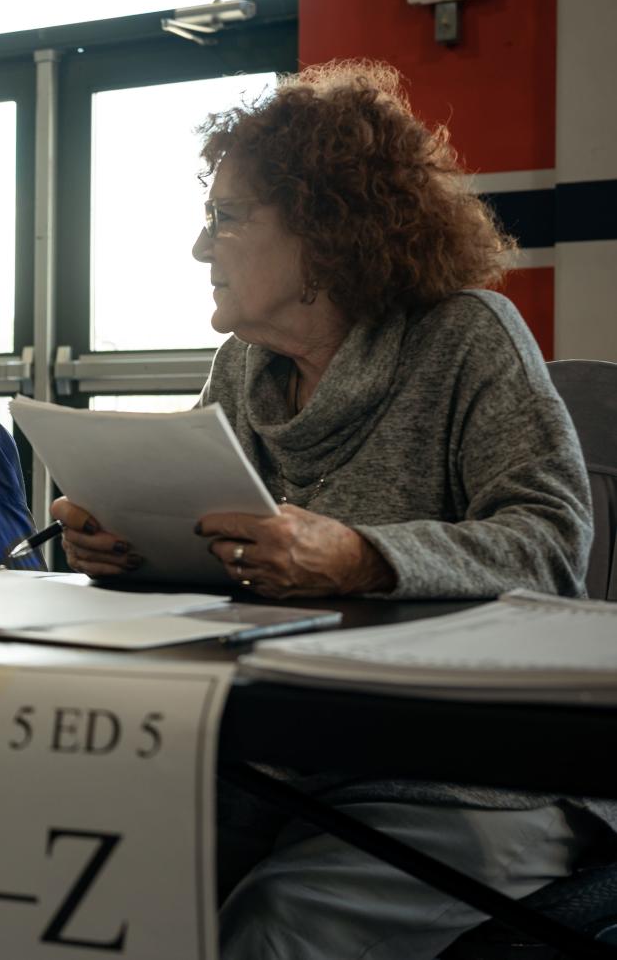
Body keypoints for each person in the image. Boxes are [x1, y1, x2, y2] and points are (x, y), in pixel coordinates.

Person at [51, 60, 612, 958]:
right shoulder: (245, 365)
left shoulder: (468, 335)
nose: (202, 248)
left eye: (226, 219)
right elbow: (216, 545)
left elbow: (548, 550)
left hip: (464, 775)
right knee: (76, 886)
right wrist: (121, 542)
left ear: (323, 233)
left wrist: (361, 556)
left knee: (271, 934)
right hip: (280, 751)